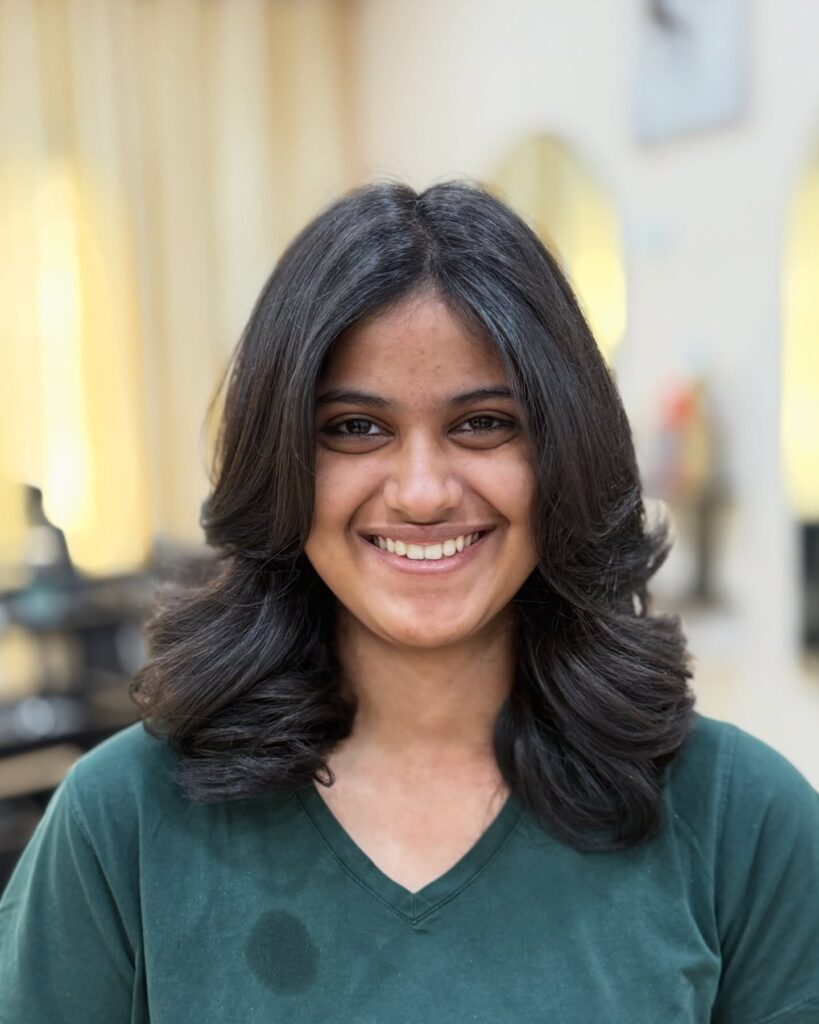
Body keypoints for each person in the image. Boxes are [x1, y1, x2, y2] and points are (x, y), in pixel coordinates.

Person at [1, 180, 817, 1023]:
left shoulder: (740, 819)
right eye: (355, 428)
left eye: (483, 424)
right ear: (279, 462)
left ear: (563, 453)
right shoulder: (122, 823)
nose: (422, 493)